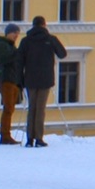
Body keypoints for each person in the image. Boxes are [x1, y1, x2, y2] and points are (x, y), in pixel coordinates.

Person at [17, 15, 66, 147]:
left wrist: (20, 80)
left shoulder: (26, 41)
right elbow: (62, 54)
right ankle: (39, 138)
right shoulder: (50, 39)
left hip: (30, 79)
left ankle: (29, 139)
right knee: (40, 109)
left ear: (33, 25)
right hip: (46, 79)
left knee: (31, 108)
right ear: (44, 25)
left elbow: (19, 61)